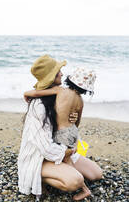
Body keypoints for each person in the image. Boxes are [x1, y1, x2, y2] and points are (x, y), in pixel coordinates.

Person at [18, 55, 102, 201]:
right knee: (75, 180)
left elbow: (70, 125)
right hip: (40, 157)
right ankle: (41, 178)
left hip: (60, 146)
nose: (62, 74)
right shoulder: (39, 105)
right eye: (58, 72)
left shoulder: (61, 92)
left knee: (96, 174)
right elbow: (44, 147)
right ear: (51, 76)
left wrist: (72, 119)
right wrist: (67, 151)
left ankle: (67, 172)